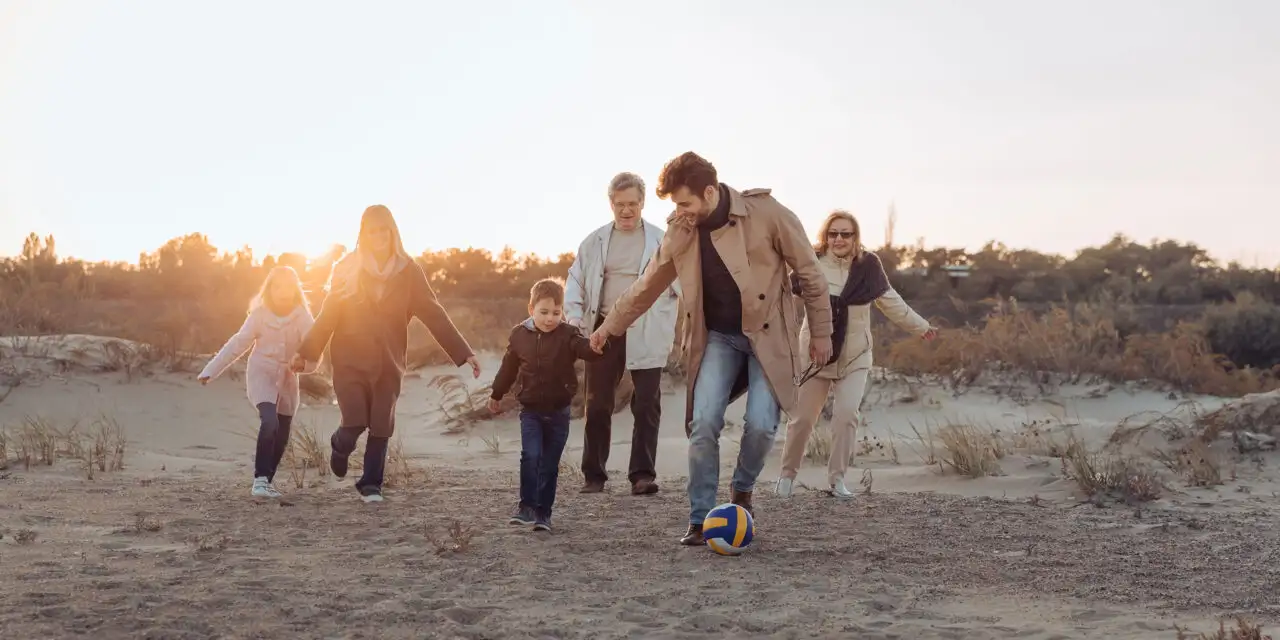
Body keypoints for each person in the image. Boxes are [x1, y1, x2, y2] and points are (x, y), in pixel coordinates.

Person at [589, 151, 833, 546]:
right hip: (717, 338)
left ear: (708, 192)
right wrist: (609, 328)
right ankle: (701, 518)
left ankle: (741, 492)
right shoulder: (681, 230)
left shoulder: (766, 213)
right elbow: (646, 286)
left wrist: (821, 333)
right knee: (702, 424)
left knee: (760, 425)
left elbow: (810, 272)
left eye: (685, 203)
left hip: (767, 338)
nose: (680, 212)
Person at [291, 204, 481, 503]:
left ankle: (371, 484)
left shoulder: (409, 271)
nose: (379, 236)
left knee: (381, 423)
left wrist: (463, 352)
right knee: (354, 420)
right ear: (363, 234)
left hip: (389, 360)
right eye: (372, 231)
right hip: (349, 359)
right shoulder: (346, 267)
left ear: (393, 232)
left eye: (384, 230)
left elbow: (433, 313)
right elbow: (328, 314)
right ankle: (340, 445)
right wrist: (307, 352)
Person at [775, 210, 937, 499]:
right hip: (815, 354)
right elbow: (781, 294)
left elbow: (890, 302)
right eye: (833, 233)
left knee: (847, 414)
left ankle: (837, 480)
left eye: (845, 234)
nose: (838, 239)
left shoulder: (868, 266)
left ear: (855, 237)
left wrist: (921, 327)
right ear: (825, 236)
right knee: (802, 420)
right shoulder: (810, 262)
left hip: (856, 355)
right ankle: (786, 477)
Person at [564, 171, 680, 496]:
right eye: (620, 204)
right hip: (603, 328)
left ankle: (642, 475)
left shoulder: (661, 239)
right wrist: (574, 317)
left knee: (646, 404)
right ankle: (594, 476)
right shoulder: (595, 241)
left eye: (633, 204)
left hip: (647, 328)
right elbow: (575, 279)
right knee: (598, 403)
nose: (626, 210)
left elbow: (684, 282)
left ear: (642, 203)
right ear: (611, 204)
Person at [488, 278, 608, 532]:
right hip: (530, 410)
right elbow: (508, 368)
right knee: (530, 456)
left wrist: (596, 346)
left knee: (550, 464)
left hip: (558, 412)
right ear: (531, 309)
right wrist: (496, 394)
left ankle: (544, 514)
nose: (550, 318)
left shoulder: (568, 334)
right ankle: (526, 507)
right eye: (543, 312)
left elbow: (583, 348)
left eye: (556, 312)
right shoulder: (519, 335)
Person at [198, 266, 319, 498]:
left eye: (289, 286)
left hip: (287, 381)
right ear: (269, 289)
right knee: (269, 421)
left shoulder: (303, 316)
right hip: (261, 375)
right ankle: (260, 480)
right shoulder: (259, 315)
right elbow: (238, 344)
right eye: (278, 286)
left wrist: (303, 365)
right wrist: (211, 370)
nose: (283, 291)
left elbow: (314, 350)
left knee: (282, 434)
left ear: (296, 289)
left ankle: (266, 482)